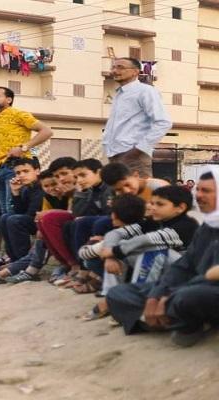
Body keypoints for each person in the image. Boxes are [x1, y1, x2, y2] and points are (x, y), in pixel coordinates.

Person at [106, 168, 219, 347]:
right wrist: (157, 294)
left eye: (205, 191)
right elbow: (184, 266)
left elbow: (212, 278)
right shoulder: (207, 227)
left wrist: (171, 293)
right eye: (197, 189)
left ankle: (174, 320)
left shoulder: (189, 225)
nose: (198, 195)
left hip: (204, 291)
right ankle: (180, 320)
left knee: (189, 296)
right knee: (117, 293)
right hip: (185, 287)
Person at [0, 86, 53, 214]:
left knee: (12, 209)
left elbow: (47, 131)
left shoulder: (18, 114)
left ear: (9, 99)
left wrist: (24, 147)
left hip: (16, 166)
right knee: (4, 211)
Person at [102, 57, 172, 178]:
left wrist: (138, 150)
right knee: (118, 196)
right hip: (115, 156)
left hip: (134, 157)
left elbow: (163, 122)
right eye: (113, 67)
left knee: (138, 195)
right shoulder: (119, 94)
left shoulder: (145, 91)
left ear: (136, 71)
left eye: (120, 67)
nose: (115, 70)